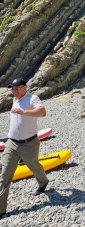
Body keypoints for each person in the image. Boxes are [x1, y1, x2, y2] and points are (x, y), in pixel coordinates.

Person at [0, 78, 49, 219]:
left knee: (33, 165)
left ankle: (43, 182)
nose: (13, 91)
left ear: (24, 87)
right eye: (12, 89)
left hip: (29, 143)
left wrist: (23, 112)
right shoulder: (15, 98)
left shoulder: (33, 98)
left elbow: (42, 112)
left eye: (16, 88)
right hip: (12, 143)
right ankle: (1, 210)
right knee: (5, 175)